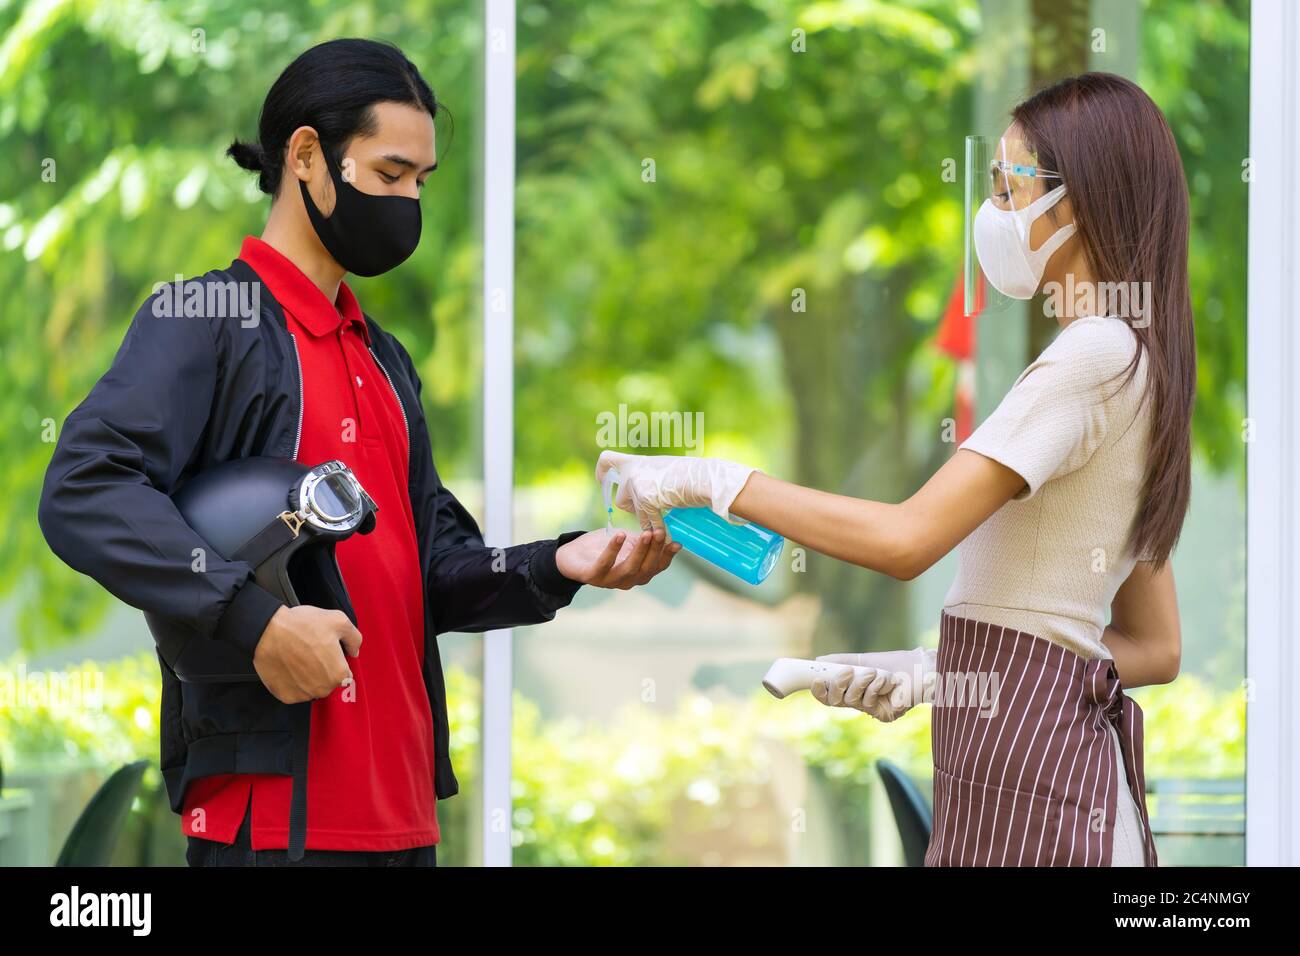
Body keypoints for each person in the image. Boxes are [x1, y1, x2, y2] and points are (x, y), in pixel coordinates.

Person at [38, 38, 679, 868]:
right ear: (306, 156)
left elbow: (433, 572)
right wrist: (255, 621)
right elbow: (84, 488)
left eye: (421, 180)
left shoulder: (386, 358)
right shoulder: (203, 316)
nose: (409, 200)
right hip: (275, 828)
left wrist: (564, 562)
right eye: (388, 174)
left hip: (405, 819)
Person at [600, 72, 1193, 868]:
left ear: (1076, 200)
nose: (993, 213)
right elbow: (1151, 647)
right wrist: (947, 677)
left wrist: (714, 482)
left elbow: (906, 539)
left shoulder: (1092, 356)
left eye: (1009, 185)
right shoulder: (1137, 359)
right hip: (1034, 781)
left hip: (1043, 800)